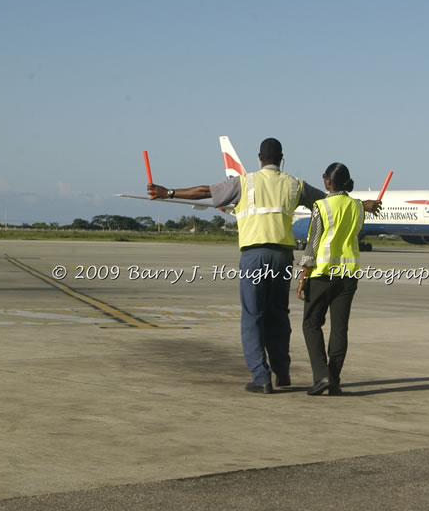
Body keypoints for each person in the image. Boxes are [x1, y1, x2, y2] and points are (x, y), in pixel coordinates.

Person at [148, 138, 379, 394]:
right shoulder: (294, 184)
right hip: (282, 257)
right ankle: (282, 372)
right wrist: (362, 205)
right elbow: (329, 201)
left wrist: (167, 192)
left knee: (253, 315)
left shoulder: (243, 182)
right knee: (278, 313)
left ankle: (261, 377)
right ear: (282, 158)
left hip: (255, 256)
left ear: (259, 158)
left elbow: (205, 191)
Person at [296, 163, 365, 396]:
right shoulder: (358, 207)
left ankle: (321, 376)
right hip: (348, 275)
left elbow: (312, 243)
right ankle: (333, 380)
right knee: (339, 328)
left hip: (323, 274)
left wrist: (303, 274)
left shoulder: (321, 206)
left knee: (311, 324)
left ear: (328, 182)